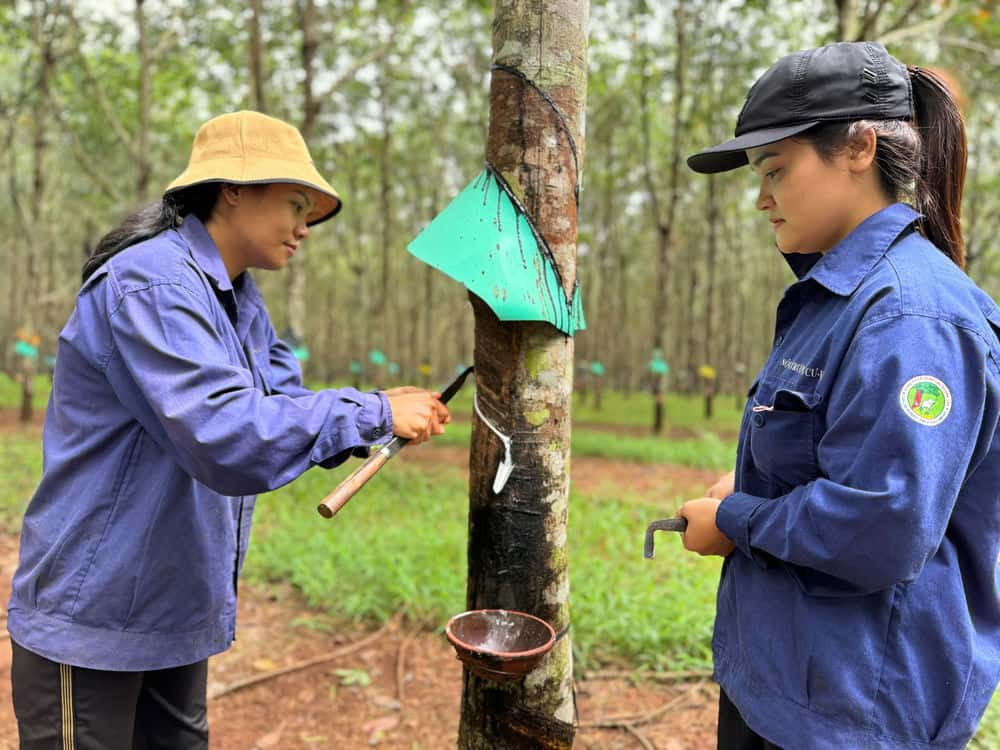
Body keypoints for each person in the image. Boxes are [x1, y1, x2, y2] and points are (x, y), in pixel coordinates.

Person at [7, 110, 451, 748]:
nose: (304, 228)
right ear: (233, 190)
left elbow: (280, 407)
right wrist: (372, 411)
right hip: (97, 615)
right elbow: (226, 435)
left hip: (172, 608)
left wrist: (375, 415)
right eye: (295, 204)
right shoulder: (153, 282)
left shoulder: (240, 301)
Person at [679, 42, 999, 749]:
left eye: (776, 170)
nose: (762, 197)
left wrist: (737, 518)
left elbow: (883, 526)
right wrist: (756, 483)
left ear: (858, 147)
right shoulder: (834, 297)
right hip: (791, 684)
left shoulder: (914, 317)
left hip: (857, 712)